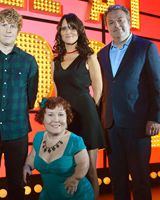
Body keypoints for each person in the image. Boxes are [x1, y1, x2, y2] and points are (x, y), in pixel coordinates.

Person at [97, 4, 160, 200]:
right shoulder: (101, 54)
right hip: (111, 124)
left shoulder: (146, 47)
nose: (116, 25)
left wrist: (155, 118)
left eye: (120, 20)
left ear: (129, 22)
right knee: (117, 179)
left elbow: (157, 85)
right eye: (111, 22)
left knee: (140, 179)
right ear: (107, 26)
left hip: (138, 123)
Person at [0, 7, 38, 200]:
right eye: (3, 25)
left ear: (18, 30)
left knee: (16, 186)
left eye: (12, 26)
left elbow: (31, 98)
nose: (8, 29)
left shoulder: (29, 61)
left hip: (17, 131)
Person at [51, 13, 107, 200]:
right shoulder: (55, 62)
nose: (68, 31)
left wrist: (91, 115)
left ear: (79, 31)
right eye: (64, 27)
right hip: (65, 122)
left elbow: (98, 92)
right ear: (59, 32)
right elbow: (57, 94)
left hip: (86, 119)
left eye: (72, 27)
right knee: (68, 171)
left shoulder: (89, 56)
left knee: (90, 172)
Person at [23, 97, 94, 199]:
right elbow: (32, 157)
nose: (56, 119)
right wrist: (27, 166)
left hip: (76, 196)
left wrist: (75, 178)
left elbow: (83, 164)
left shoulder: (75, 141)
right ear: (42, 118)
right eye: (50, 114)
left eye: (60, 114)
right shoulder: (38, 137)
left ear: (67, 118)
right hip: (49, 196)